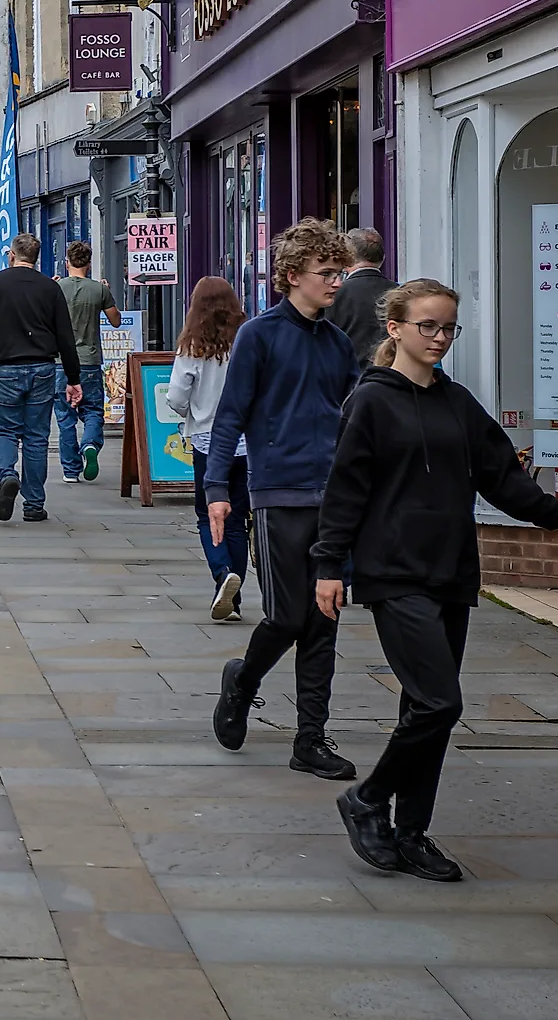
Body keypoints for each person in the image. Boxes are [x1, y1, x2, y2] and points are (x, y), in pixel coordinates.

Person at [316, 279, 558, 882]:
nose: (438, 338)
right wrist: (329, 565)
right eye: (427, 327)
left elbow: (503, 481)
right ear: (396, 330)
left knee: (424, 708)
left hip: (452, 572)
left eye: (447, 329)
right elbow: (345, 490)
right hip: (392, 572)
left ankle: (411, 833)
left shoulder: (458, 403)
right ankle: (366, 799)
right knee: (442, 702)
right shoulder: (371, 402)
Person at [207, 218, 361, 780]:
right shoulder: (260, 335)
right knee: (287, 615)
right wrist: (218, 490)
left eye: (340, 272)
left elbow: (353, 416)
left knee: (324, 620)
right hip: (277, 495)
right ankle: (243, 680)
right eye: (326, 273)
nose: (336, 282)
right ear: (292, 276)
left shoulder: (340, 344)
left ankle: (311, 739)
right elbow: (230, 416)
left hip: (333, 499)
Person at [0, 234, 82, 524]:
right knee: (36, 437)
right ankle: (34, 505)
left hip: (3, 369)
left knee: (4, 431)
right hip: (42, 369)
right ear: (36, 258)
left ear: (12, 255)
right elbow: (65, 335)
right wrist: (73, 378)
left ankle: (7, 476)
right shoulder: (50, 288)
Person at [164, 276, 250, 623]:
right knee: (237, 521)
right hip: (245, 443)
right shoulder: (247, 341)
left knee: (206, 514)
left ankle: (221, 574)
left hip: (206, 440)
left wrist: (191, 414)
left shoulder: (193, 347)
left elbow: (176, 396)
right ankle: (236, 595)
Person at [56, 240, 118, 483]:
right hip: (90, 360)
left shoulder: (57, 288)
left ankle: (71, 470)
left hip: (61, 361)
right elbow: (115, 320)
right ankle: (90, 445)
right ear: (89, 264)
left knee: (65, 417)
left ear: (67, 262)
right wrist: (106, 292)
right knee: (92, 411)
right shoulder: (99, 290)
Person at [327, 228, 395, 366]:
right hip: (391, 378)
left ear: (346, 260)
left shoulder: (332, 293)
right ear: (383, 258)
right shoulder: (400, 293)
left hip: (348, 381)